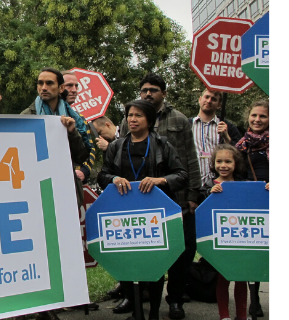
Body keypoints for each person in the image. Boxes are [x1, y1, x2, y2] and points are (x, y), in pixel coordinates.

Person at [119, 73, 201, 319]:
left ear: (163, 93)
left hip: (172, 198)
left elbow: (189, 158)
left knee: (177, 251)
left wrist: (193, 193)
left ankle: (175, 299)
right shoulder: (128, 120)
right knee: (136, 249)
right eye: (144, 89)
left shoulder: (178, 120)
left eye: (153, 89)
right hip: (136, 199)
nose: (148, 93)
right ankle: (133, 297)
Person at [98, 100, 189, 320]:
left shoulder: (163, 145)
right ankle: (137, 310)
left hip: (155, 214)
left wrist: (161, 180)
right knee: (130, 262)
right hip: (126, 214)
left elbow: (182, 175)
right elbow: (102, 175)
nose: (132, 119)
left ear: (149, 120)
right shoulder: (116, 146)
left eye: (138, 115)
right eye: (130, 115)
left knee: (154, 265)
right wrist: (114, 178)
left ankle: (154, 314)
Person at [21, 67, 93, 206]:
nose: (44, 87)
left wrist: (72, 133)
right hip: (38, 188)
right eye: (40, 83)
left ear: (60, 88)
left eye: (49, 83)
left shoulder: (74, 118)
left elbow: (81, 156)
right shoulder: (27, 116)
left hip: (66, 187)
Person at [203, 144, 255, 320]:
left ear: (236, 164)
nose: (223, 165)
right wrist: (210, 194)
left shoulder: (244, 185)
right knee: (222, 278)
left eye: (228, 161)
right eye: (219, 161)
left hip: (240, 239)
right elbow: (202, 209)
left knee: (241, 278)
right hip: (220, 239)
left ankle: (242, 316)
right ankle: (224, 316)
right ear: (213, 163)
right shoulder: (209, 184)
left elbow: (255, 201)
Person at [234, 99, 269, 318]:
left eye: (263, 116)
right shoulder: (241, 145)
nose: (257, 120)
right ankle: (254, 298)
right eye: (254, 115)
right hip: (248, 202)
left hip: (271, 201)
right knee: (252, 250)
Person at [190, 89, 242, 186]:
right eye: (206, 97)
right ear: (200, 99)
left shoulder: (228, 127)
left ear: (219, 105)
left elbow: (239, 156)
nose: (209, 101)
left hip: (219, 185)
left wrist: (227, 138)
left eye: (213, 99)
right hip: (193, 184)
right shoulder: (187, 125)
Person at [61, 70, 98, 186]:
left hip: (77, 181)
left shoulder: (80, 118)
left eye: (76, 86)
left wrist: (84, 171)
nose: (74, 90)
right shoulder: (44, 114)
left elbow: (91, 148)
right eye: (69, 86)